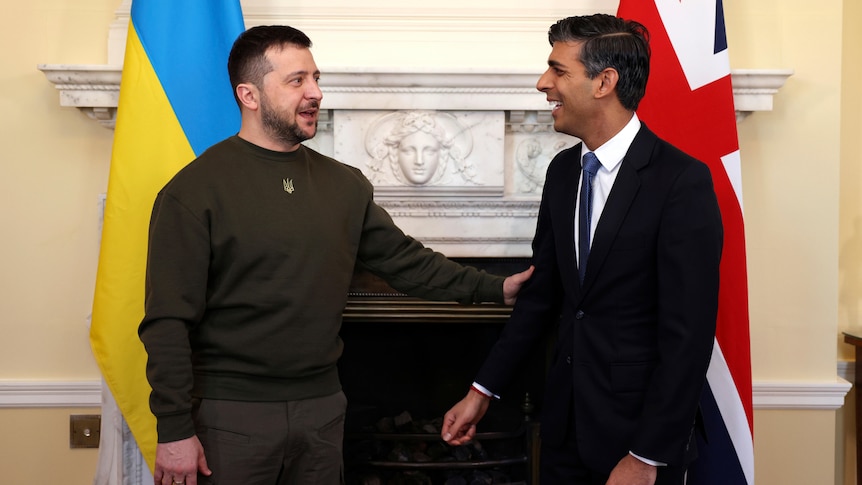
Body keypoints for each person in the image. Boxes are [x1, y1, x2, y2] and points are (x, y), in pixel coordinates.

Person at [138, 25, 533, 485]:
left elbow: (407, 262)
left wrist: (497, 287)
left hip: (323, 411)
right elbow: (166, 322)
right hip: (230, 417)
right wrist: (174, 430)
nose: (316, 93)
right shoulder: (192, 192)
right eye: (297, 80)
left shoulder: (344, 185)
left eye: (316, 77)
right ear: (249, 95)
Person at [441, 14, 723, 485]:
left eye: (559, 70)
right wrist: (481, 390)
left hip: (637, 444)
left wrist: (647, 456)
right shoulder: (563, 172)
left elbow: (688, 337)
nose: (543, 83)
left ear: (604, 83)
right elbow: (542, 296)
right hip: (564, 432)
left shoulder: (680, 181)